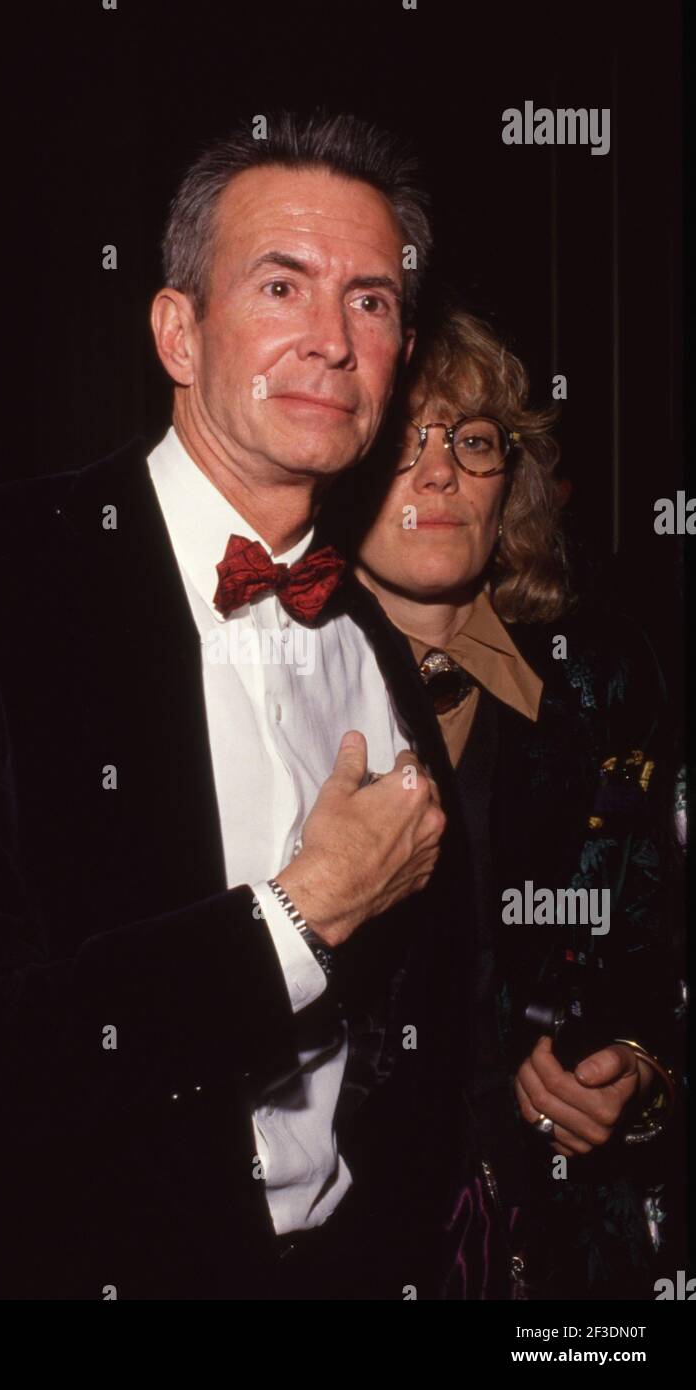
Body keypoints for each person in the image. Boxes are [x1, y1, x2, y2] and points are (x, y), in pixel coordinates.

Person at [0, 113, 480, 1301]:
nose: (332, 339)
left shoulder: (372, 638)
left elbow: (425, 1021)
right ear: (178, 331)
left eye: (372, 301)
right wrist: (301, 915)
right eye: (282, 284)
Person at [321, 301, 683, 1298]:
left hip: (559, 1254)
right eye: (405, 438)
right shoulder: (260, 681)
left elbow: (657, 951)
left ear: (507, 482)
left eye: (473, 441)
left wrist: (635, 1062)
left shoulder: (604, 684)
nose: (441, 472)